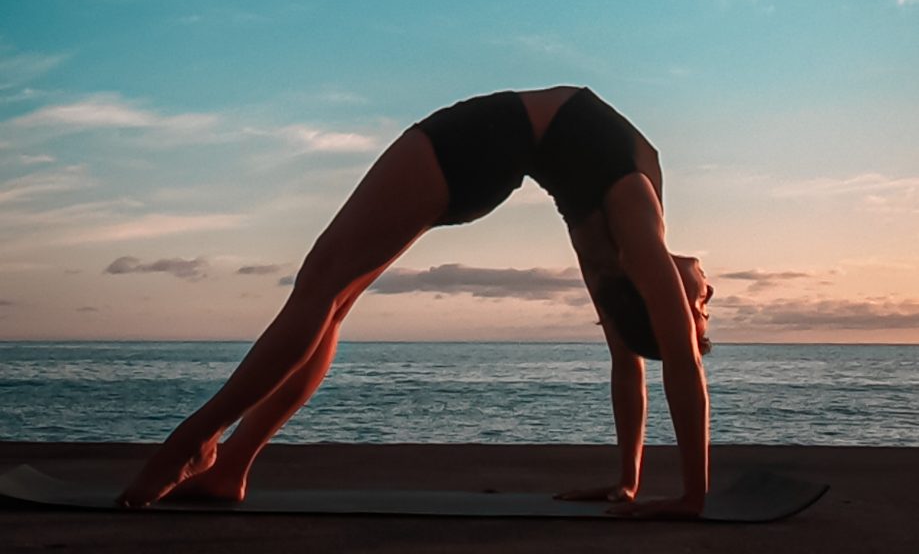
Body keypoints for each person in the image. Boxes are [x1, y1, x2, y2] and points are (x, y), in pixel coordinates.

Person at [119, 85, 713, 517]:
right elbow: (626, 363)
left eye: (701, 309)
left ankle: (197, 443)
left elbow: (677, 361)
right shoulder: (612, 253)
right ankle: (233, 464)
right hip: (493, 161)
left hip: (480, 142)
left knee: (322, 283)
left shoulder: (638, 239)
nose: (708, 296)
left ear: (666, 303)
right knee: (333, 297)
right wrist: (629, 482)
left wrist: (691, 496)